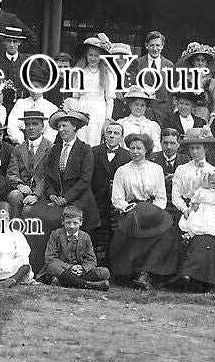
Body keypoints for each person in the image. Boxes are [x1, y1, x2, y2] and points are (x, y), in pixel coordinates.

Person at [26, 110, 96, 272]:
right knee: (33, 216)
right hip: (55, 198)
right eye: (59, 126)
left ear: (75, 127)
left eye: (65, 125)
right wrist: (51, 194)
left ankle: (58, 267)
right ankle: (36, 266)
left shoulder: (85, 150)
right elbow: (48, 176)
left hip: (78, 199)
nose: (61, 129)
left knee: (52, 219)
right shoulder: (55, 149)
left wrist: (65, 198)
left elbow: (85, 180)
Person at [109, 133, 178, 290]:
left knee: (166, 233)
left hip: (153, 211)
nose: (135, 152)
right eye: (132, 148)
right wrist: (128, 208)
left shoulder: (156, 169)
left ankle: (149, 272)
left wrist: (153, 211)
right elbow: (117, 198)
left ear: (146, 150)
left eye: (139, 148)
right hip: (131, 211)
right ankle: (130, 272)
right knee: (126, 232)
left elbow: (161, 197)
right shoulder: (122, 171)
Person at [177, 165, 215, 292]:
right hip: (201, 214)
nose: (214, 185)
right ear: (208, 182)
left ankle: (197, 276)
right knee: (197, 230)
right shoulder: (202, 191)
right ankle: (190, 234)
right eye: (212, 182)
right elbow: (194, 201)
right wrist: (192, 207)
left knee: (210, 233)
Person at [89, 120, 131, 261]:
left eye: (116, 133)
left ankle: (110, 263)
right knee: (93, 228)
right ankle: (91, 260)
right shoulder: (94, 151)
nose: (112, 136)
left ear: (121, 137)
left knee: (114, 231)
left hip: (118, 201)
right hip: (96, 198)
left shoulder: (127, 156)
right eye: (109, 133)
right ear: (104, 135)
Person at [41, 204, 111, 290]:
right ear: (63, 221)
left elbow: (92, 260)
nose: (71, 226)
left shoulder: (85, 237)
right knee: (52, 268)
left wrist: (82, 269)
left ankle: (65, 282)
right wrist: (70, 268)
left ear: (81, 222)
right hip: (63, 270)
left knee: (105, 272)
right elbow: (50, 258)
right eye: (68, 222)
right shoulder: (55, 234)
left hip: (80, 272)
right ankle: (87, 284)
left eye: (75, 223)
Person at [64, 33, 114, 147]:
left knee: (95, 140)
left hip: (98, 111)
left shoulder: (107, 74)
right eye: (90, 55)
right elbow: (75, 96)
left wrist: (107, 119)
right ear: (86, 56)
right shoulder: (79, 72)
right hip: (82, 108)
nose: (93, 58)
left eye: (96, 56)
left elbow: (110, 100)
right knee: (81, 139)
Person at [171, 127, 215, 221]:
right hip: (186, 210)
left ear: (206, 148)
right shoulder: (181, 169)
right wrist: (185, 209)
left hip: (209, 213)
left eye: (198, 148)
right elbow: (175, 195)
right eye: (192, 148)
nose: (194, 152)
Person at [7, 110, 53, 221]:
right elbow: (11, 173)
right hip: (23, 190)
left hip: (42, 192)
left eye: (35, 124)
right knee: (14, 196)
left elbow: (48, 177)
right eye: (28, 124)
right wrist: (20, 186)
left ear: (42, 127)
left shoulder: (51, 148)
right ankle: (14, 232)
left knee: (27, 210)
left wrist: (36, 194)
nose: (30, 127)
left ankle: (26, 236)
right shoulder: (18, 149)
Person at [126, 31, 174, 128]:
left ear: (162, 46)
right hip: (143, 112)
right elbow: (132, 87)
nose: (155, 49)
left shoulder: (169, 65)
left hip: (163, 114)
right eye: (152, 45)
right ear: (146, 45)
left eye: (158, 45)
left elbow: (171, 92)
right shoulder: (137, 63)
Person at [174, 42, 215, 125]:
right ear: (192, 62)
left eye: (203, 60)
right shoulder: (183, 81)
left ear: (206, 63)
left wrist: (209, 124)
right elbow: (176, 103)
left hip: (204, 117)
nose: (200, 63)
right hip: (185, 117)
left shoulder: (212, 82)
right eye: (197, 60)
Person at [150, 128, 190, 222]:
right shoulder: (152, 159)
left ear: (178, 144)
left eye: (172, 143)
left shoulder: (186, 160)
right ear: (160, 143)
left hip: (179, 204)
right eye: (165, 143)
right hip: (158, 203)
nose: (168, 147)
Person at [117, 86, 162, 152]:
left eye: (142, 105)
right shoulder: (121, 123)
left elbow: (156, 146)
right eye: (136, 104)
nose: (139, 108)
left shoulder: (153, 125)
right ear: (130, 105)